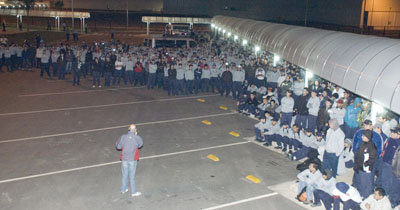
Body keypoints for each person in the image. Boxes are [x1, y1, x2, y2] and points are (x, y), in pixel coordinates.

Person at [115, 124, 143, 197]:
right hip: (132, 159)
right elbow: (140, 145)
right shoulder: (137, 138)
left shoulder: (123, 137)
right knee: (132, 176)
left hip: (124, 159)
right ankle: (133, 192)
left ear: (128, 129)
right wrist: (135, 136)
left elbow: (118, 146)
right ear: (135, 130)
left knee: (124, 174)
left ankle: (123, 189)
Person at [353, 129, 377, 199]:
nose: (362, 137)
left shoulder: (372, 147)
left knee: (366, 183)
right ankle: (360, 194)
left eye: (364, 136)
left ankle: (366, 197)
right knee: (360, 182)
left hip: (365, 168)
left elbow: (372, 159)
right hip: (359, 166)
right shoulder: (362, 143)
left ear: (368, 137)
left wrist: (365, 164)